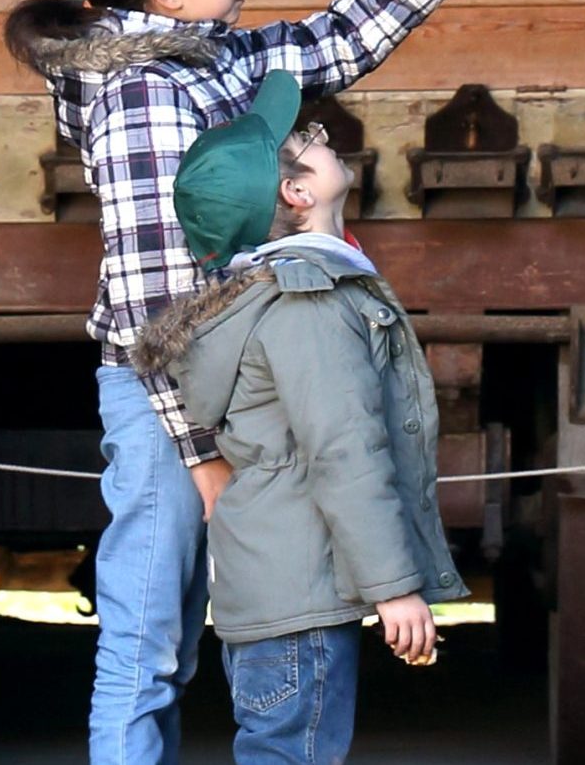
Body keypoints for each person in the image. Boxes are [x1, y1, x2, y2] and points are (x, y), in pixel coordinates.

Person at [2, 0, 500, 764]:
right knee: (148, 645)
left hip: (235, 371)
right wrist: (201, 456)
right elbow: (157, 295)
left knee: (258, 609)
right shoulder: (144, 92)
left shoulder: (208, 55)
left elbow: (338, 37)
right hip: (168, 399)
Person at [134, 70, 466, 763]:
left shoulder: (273, 297)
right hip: (302, 595)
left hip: (278, 590)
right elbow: (343, 449)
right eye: (304, 140)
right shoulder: (307, 304)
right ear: (297, 193)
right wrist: (394, 587)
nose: (318, 131)